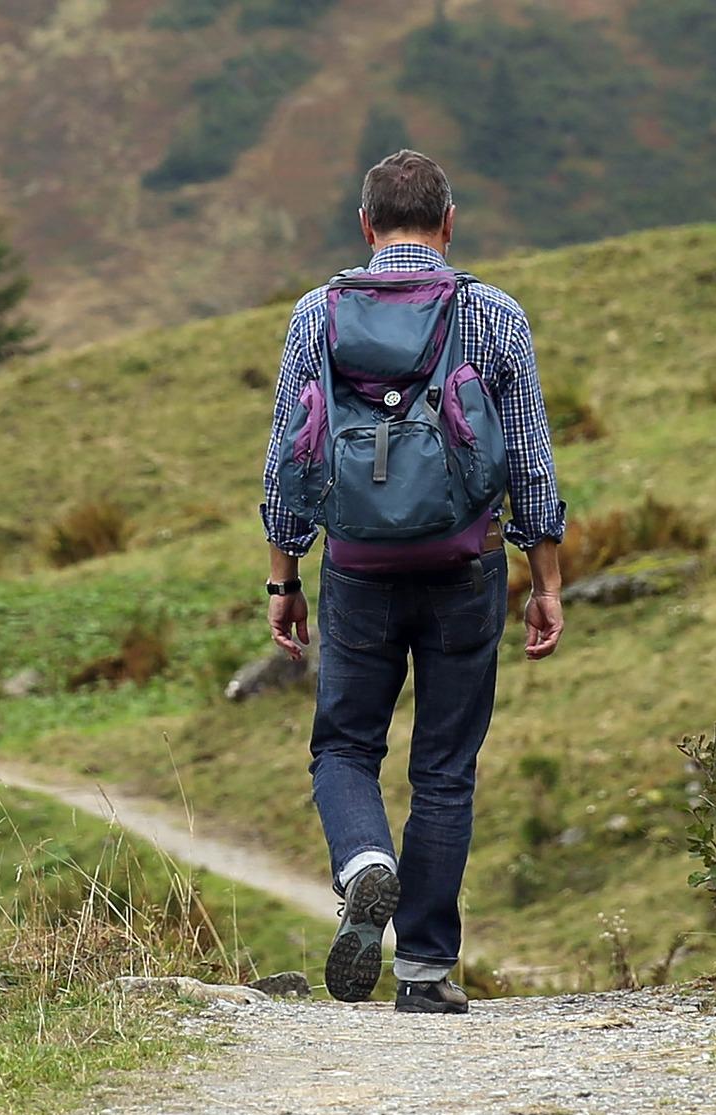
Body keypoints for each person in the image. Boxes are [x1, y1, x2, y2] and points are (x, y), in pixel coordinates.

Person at [260, 149, 566, 1014]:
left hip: (355, 566)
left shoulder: (315, 315)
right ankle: (425, 970)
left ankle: (365, 862)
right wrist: (544, 577)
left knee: (345, 745)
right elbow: (531, 462)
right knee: (444, 766)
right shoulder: (494, 315)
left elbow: (289, 455)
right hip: (465, 564)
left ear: (365, 226)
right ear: (448, 222)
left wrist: (283, 576)